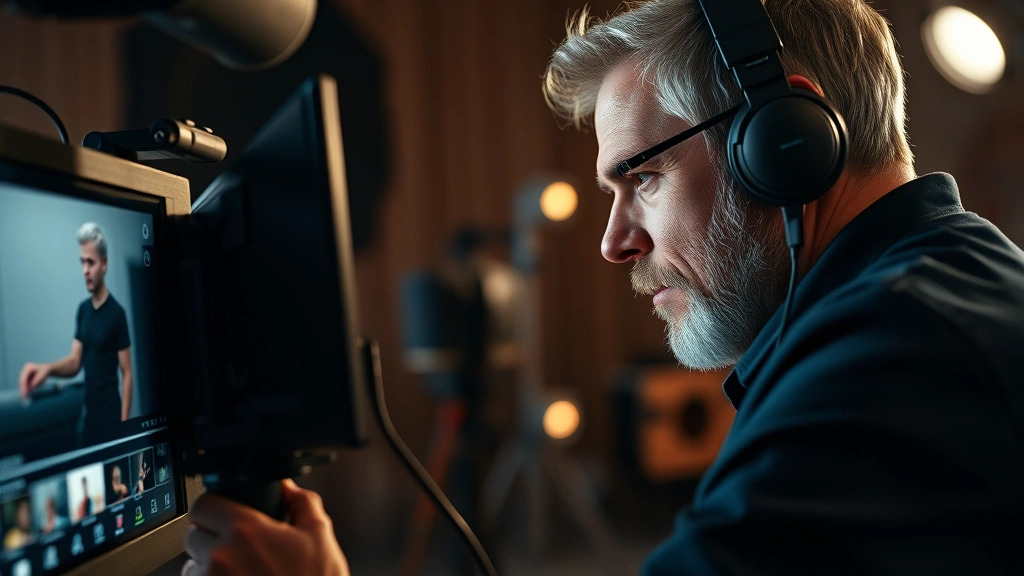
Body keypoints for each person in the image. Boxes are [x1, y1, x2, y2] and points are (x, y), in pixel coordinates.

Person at [181, 1, 1024, 574]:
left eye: (643, 177)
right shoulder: (922, 298)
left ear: (782, 143)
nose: (615, 242)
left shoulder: (894, 364)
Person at [19, 223, 134, 437]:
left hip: (112, 417)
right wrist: (47, 369)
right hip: (89, 417)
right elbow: (74, 362)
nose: (85, 270)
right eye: (82, 263)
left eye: (90, 262)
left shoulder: (117, 313)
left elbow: (126, 372)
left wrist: (124, 422)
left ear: (104, 264)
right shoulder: (83, 310)